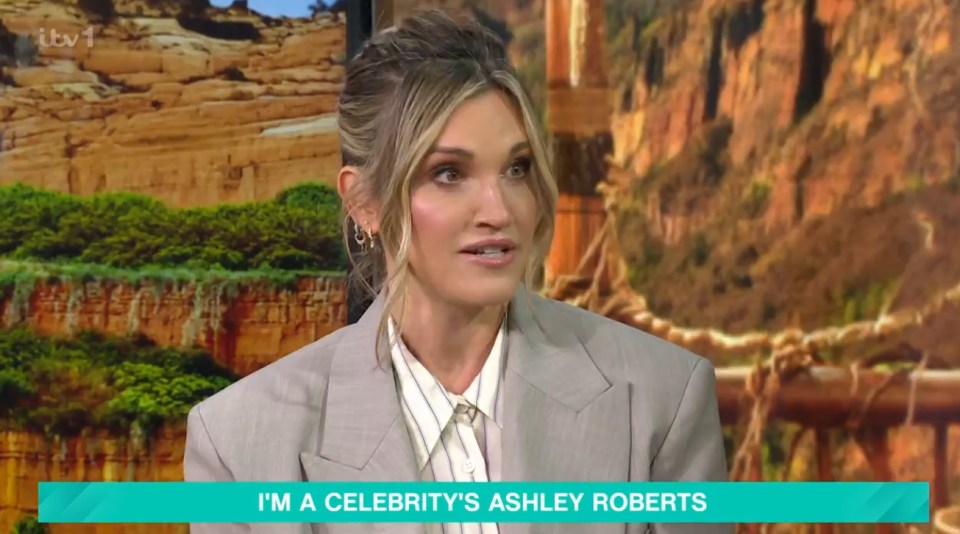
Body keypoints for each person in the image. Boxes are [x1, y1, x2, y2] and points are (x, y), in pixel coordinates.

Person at [183, 9, 730, 534]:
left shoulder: (660, 401)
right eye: (449, 173)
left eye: (516, 168)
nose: (499, 209)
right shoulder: (240, 446)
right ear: (364, 202)